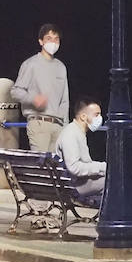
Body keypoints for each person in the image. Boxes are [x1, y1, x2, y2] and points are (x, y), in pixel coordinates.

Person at [10, 24, 70, 154]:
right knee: (42, 168)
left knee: (57, 169)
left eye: (56, 39)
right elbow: (15, 91)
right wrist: (33, 99)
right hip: (38, 122)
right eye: (49, 38)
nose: (53, 42)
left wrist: (65, 128)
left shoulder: (61, 67)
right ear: (41, 41)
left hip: (58, 125)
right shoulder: (31, 64)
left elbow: (65, 100)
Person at [57, 98, 106, 202]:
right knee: (115, 181)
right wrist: (102, 167)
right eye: (96, 115)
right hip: (74, 185)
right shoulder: (71, 134)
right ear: (83, 116)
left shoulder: (77, 132)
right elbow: (74, 167)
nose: (100, 118)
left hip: (76, 182)